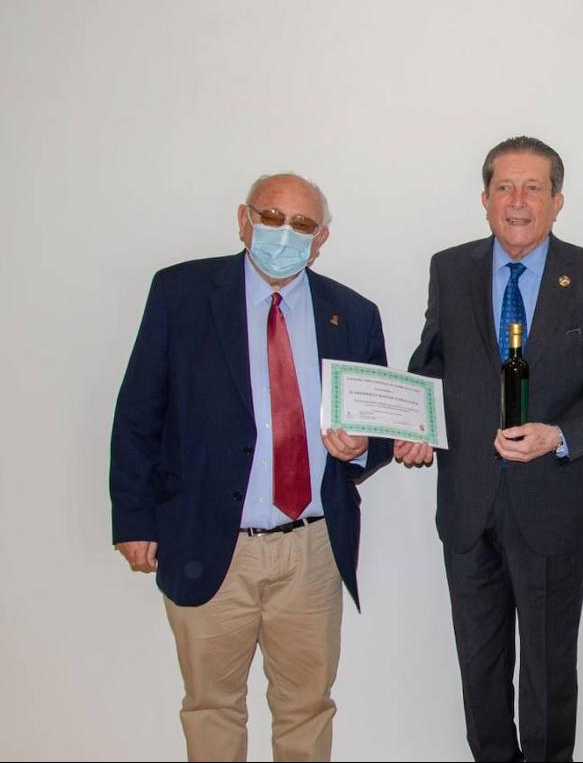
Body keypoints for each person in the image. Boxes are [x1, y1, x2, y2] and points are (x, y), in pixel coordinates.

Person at [110, 173, 392, 762]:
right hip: (209, 539)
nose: (285, 234)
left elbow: (380, 429)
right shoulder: (181, 293)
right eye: (271, 217)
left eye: (303, 225)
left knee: (308, 708)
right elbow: (139, 410)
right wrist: (133, 518)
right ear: (244, 220)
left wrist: (361, 447)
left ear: (322, 239)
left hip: (311, 549)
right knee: (211, 705)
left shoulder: (354, 313)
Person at [394, 136, 583, 762]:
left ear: (558, 201)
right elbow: (430, 366)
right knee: (479, 675)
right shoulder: (449, 269)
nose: (518, 200)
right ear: (484, 200)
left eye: (533, 187)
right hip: (467, 506)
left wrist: (559, 436)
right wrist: (415, 423)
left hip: (553, 509)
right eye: (504, 187)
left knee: (548, 678)